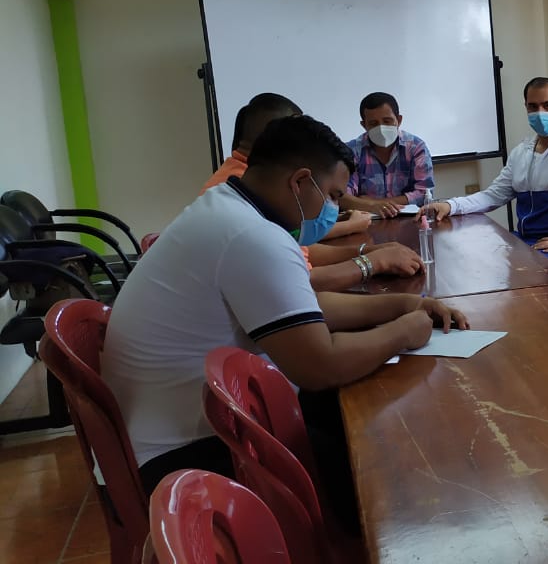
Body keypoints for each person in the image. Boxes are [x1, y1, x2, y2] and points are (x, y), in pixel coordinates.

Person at [102, 115, 468, 498]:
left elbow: (306, 308)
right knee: (377, 466)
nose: (334, 209)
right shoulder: (252, 236)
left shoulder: (225, 209)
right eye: (333, 196)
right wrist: (404, 332)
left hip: (174, 432)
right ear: (300, 182)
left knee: (352, 420)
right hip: (183, 459)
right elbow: (320, 365)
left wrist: (405, 305)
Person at [203, 93, 422, 292]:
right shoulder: (251, 194)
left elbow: (301, 252)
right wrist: (374, 262)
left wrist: (369, 251)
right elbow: (300, 283)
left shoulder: (248, 181)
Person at [425, 77, 548, 271]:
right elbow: (493, 195)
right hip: (526, 240)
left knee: (533, 277)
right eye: (533, 106)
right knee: (477, 263)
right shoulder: (521, 152)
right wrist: (451, 205)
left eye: (547, 105)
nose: (540, 113)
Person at [341, 92, 434, 219]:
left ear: (399, 120)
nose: (381, 128)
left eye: (387, 121)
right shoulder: (351, 150)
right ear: (364, 125)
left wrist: (373, 203)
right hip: (365, 222)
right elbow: (342, 197)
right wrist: (372, 206)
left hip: (409, 221)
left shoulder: (416, 147)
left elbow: (425, 193)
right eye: (373, 123)